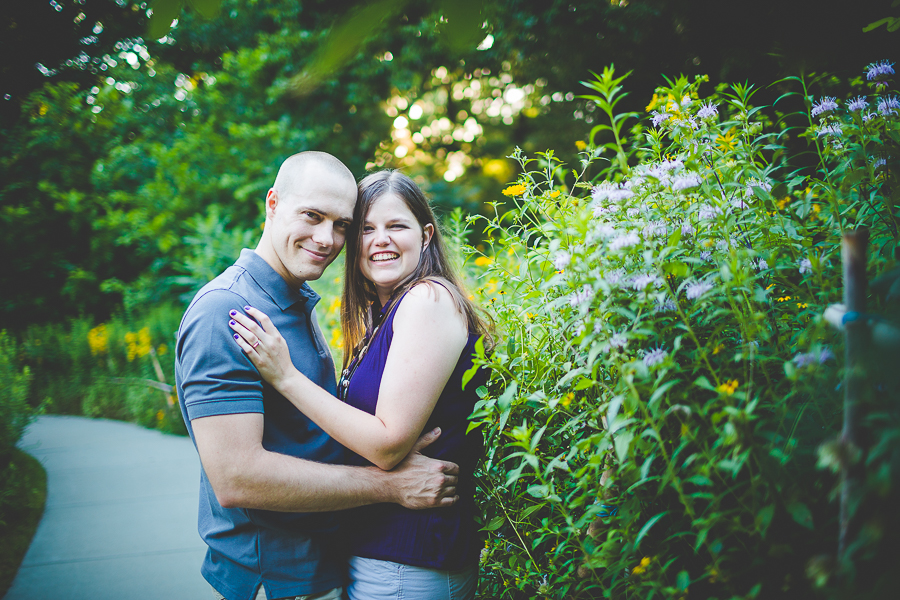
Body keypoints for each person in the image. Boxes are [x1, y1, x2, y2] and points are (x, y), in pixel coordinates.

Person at [175, 153, 460, 600]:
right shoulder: (226, 312)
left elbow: (314, 434)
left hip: (326, 567)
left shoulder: (293, 302)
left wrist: (389, 448)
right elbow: (236, 477)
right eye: (312, 215)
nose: (327, 238)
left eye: (342, 224)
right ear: (272, 203)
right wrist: (389, 483)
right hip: (274, 576)